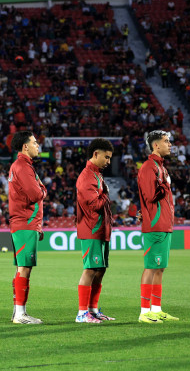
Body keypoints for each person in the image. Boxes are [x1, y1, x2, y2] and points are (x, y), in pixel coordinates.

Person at [71, 138, 116, 323]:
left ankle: (93, 310)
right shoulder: (87, 176)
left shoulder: (97, 175)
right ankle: (82, 313)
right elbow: (94, 204)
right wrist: (105, 195)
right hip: (91, 228)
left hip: (101, 229)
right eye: (106, 157)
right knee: (90, 269)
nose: (109, 161)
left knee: (100, 269)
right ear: (95, 154)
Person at [137, 131, 179, 323]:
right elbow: (150, 195)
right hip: (155, 225)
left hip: (163, 224)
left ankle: (156, 308)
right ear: (155, 145)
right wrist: (164, 184)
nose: (170, 144)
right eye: (166, 141)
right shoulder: (149, 167)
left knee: (160, 268)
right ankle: (144, 312)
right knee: (150, 267)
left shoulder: (160, 167)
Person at [8, 131, 47, 324]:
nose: (37, 145)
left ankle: (18, 311)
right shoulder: (23, 166)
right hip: (25, 221)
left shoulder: (22, 165)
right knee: (24, 268)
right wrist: (43, 189)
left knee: (22, 268)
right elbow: (35, 194)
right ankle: (20, 314)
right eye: (34, 142)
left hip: (24, 222)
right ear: (25, 146)